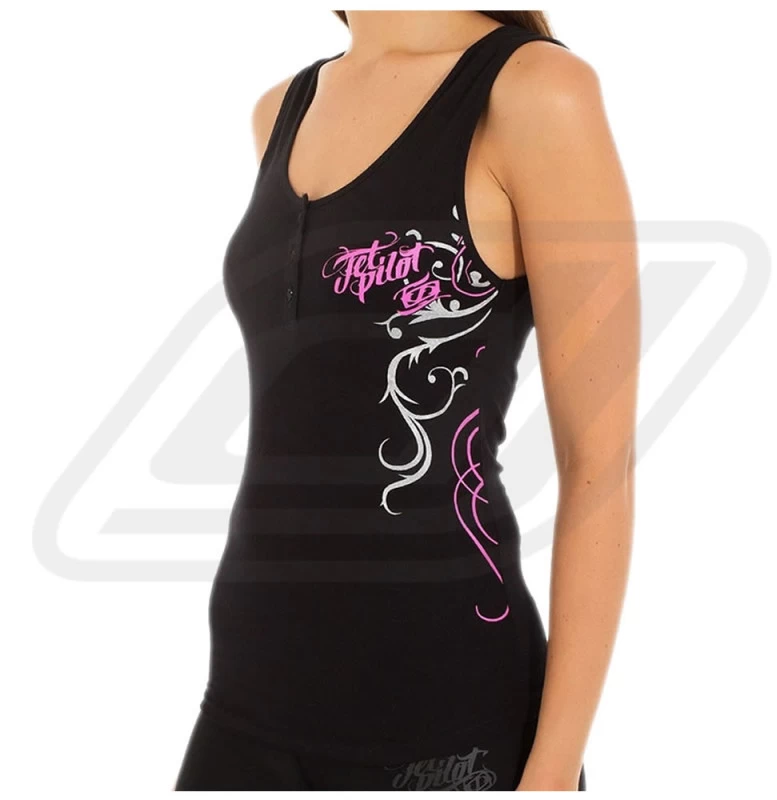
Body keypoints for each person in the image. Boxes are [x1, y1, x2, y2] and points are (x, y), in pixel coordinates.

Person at [174, 9, 639, 791]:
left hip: (445, 718)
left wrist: (553, 770)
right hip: (247, 693)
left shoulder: (534, 91)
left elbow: (599, 462)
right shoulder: (281, 109)